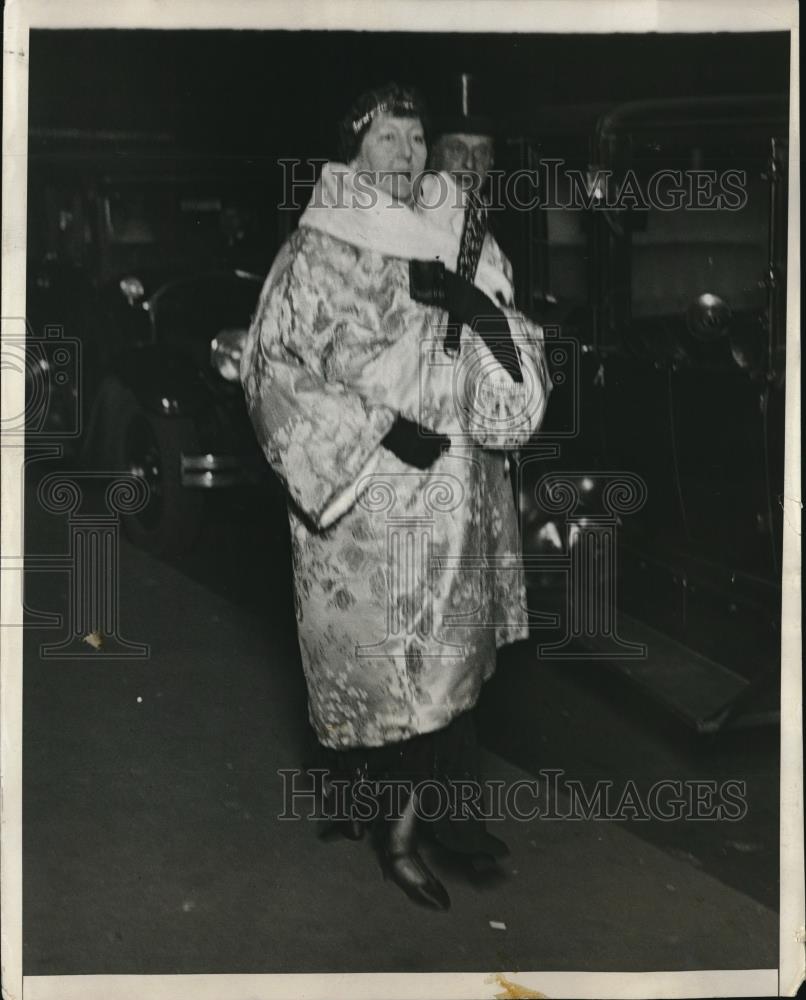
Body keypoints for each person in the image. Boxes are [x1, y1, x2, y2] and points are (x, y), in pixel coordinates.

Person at [240, 82, 551, 911]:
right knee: (388, 682)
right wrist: (381, 429)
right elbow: (271, 369)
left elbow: (509, 366)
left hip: (455, 501)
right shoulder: (320, 248)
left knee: (446, 677)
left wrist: (476, 310)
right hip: (368, 504)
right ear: (353, 150)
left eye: (416, 140)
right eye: (387, 140)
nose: (406, 156)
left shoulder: (460, 232)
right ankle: (384, 822)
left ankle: (432, 827)